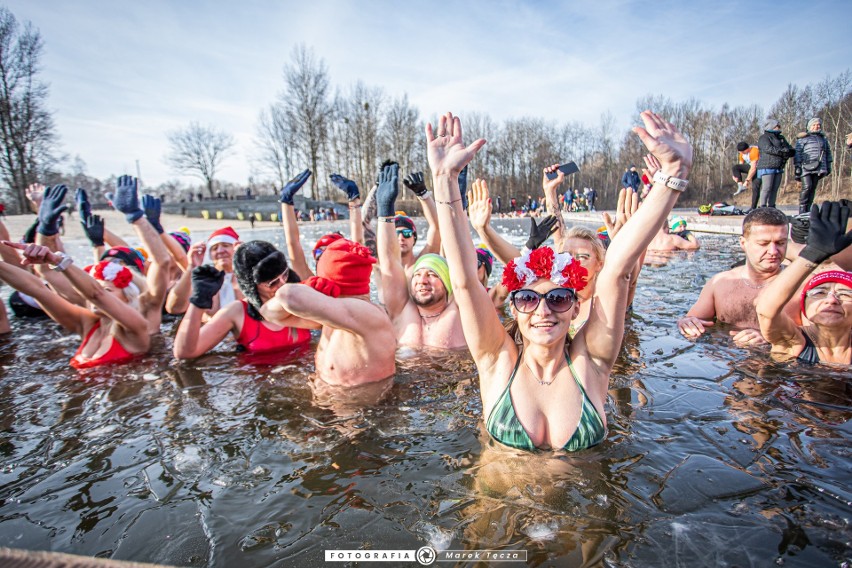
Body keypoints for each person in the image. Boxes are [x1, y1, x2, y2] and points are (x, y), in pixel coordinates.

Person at [429, 109, 692, 451]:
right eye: (527, 299)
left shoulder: (592, 362)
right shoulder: (496, 360)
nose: (543, 311)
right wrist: (445, 180)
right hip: (497, 505)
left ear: (574, 307)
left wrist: (673, 176)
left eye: (557, 299)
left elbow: (617, 270)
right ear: (515, 307)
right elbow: (464, 281)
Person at [262, 238, 397, 385]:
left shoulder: (367, 314)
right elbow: (269, 313)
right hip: (331, 401)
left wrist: (306, 286)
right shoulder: (336, 316)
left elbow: (287, 295)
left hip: (358, 407)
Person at [0, 244, 149, 369]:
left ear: (128, 297)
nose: (98, 297)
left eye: (108, 290)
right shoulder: (88, 322)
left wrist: (57, 260)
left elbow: (96, 294)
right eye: (100, 288)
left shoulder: (136, 328)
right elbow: (37, 290)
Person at [173, 241, 317, 359]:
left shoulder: (300, 298)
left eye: (285, 275)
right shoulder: (236, 311)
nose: (282, 285)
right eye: (272, 283)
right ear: (251, 286)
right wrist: (199, 300)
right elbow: (185, 353)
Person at [376, 163, 465, 349]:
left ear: (448, 283)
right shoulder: (401, 310)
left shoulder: (460, 312)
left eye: (432, 275)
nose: (422, 280)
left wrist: (455, 205)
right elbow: (389, 263)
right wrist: (385, 210)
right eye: (417, 275)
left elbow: (459, 258)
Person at [677, 208, 798, 345]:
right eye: (763, 244)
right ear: (743, 244)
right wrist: (686, 322)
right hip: (725, 359)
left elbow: (819, 334)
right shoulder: (719, 283)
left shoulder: (799, 285)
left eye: (780, 243)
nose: (773, 251)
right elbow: (693, 319)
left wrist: (773, 338)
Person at [756, 202, 851, 364]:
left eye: (845, 293)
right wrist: (813, 253)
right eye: (819, 293)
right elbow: (766, 310)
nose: (832, 300)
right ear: (804, 305)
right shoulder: (794, 341)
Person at [166, 226, 243, 315]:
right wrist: (192, 267)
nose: (220, 251)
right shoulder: (205, 279)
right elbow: (174, 308)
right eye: (214, 248)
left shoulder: (248, 276)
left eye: (225, 245)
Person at [795, 117, 833, 214]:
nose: (817, 126)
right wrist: (797, 166)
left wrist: (828, 166)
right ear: (809, 126)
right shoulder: (803, 138)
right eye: (814, 125)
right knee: (807, 186)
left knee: (812, 188)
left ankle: (808, 209)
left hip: (819, 167)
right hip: (805, 167)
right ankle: (802, 209)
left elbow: (828, 153)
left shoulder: (823, 139)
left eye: (818, 125)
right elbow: (798, 153)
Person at [755, 118, 795, 208]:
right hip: (767, 166)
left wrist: (790, 151)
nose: (779, 127)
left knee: (774, 189)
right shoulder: (764, 138)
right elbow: (768, 149)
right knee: (767, 188)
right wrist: (783, 151)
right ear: (772, 126)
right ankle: (763, 206)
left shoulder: (781, 138)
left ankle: (772, 206)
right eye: (777, 126)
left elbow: (788, 148)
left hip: (778, 166)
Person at [732, 141, 761, 209]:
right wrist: (735, 176)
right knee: (735, 167)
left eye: (742, 152)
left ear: (746, 149)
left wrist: (747, 181)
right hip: (751, 167)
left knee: (755, 187)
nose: (741, 154)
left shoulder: (754, 151)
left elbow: (753, 168)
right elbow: (740, 166)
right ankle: (740, 186)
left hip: (759, 168)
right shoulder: (742, 154)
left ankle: (753, 208)